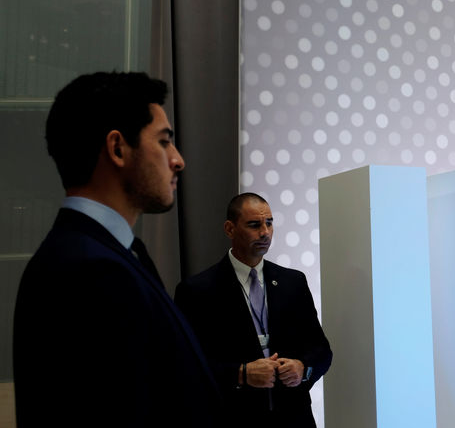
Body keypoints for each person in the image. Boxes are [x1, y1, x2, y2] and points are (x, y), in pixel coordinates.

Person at [13, 72, 221, 427]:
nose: (178, 160)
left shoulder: (106, 255)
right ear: (118, 148)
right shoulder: (91, 272)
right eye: (164, 141)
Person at [175, 192, 332, 427]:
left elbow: (321, 351)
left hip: (294, 417)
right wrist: (241, 373)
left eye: (269, 223)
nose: (265, 232)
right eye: (254, 225)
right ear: (230, 229)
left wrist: (303, 368)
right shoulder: (196, 291)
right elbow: (184, 365)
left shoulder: (293, 282)